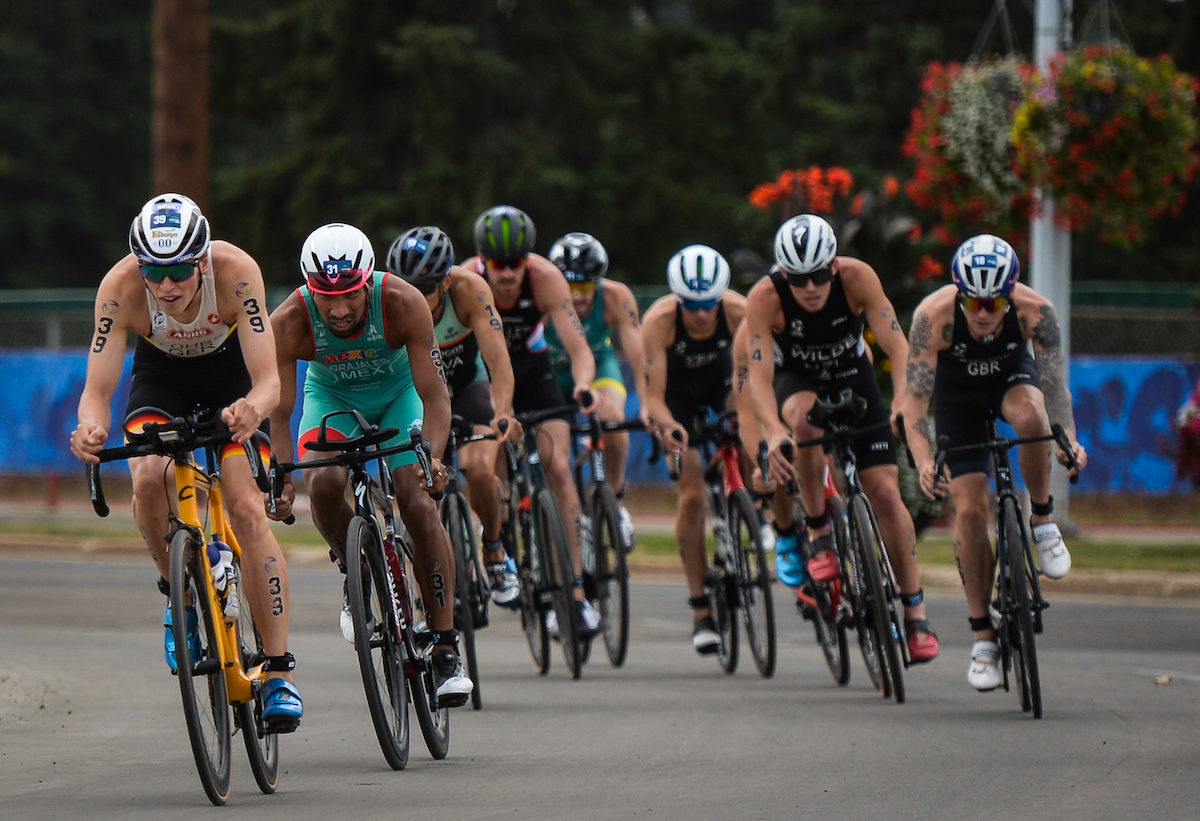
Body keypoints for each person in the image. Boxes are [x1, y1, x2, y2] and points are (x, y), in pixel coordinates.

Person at [70, 193, 303, 731]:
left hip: (232, 379)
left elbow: (268, 380)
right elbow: (97, 389)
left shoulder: (237, 272)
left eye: (178, 270)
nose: (167, 285)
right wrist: (89, 428)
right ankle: (177, 597)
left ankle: (280, 671)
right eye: (154, 271)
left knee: (246, 509)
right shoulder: (121, 286)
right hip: (162, 380)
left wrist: (253, 409)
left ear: (201, 259)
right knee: (148, 478)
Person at [267, 222, 472, 707]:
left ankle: (445, 647)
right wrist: (280, 476)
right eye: (325, 297)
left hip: (399, 397)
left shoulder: (401, 301)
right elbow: (279, 411)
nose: (338, 310)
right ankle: (354, 567)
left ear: (367, 283)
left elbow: (436, 397)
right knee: (322, 483)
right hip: (331, 397)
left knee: (417, 501)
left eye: (350, 296)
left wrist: (435, 459)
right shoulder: (290, 321)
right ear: (308, 289)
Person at [744, 213, 939, 665]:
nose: (810, 288)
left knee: (887, 495)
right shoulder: (765, 298)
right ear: (782, 274)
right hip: (797, 379)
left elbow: (897, 344)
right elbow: (758, 377)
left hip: (853, 373)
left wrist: (903, 402)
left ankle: (915, 614)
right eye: (798, 278)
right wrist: (774, 433)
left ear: (833, 267)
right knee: (806, 424)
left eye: (818, 275)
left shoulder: (857, 278)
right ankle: (819, 532)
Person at [901, 233, 1087, 691]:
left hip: (1010, 380)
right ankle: (983, 634)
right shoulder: (933, 317)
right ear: (959, 293)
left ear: (1011, 294)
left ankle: (1042, 521)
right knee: (970, 510)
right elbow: (913, 407)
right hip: (957, 400)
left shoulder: (1036, 311)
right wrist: (924, 461)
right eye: (974, 302)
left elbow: (1056, 390)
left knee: (1031, 414)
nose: (984, 313)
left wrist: (1068, 441)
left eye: (995, 303)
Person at [460, 205, 601, 638]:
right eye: (497, 265)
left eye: (515, 264)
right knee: (489, 475)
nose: (506, 274)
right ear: (482, 261)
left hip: (533, 370)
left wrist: (582, 386)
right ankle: (497, 552)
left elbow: (578, 348)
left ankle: (575, 592)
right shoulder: (467, 280)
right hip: (484, 375)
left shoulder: (545, 278)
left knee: (559, 469)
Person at [386, 225, 521, 608]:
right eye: (409, 286)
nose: (417, 297)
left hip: (466, 388)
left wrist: (504, 412)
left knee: (480, 470)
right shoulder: (391, 300)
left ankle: (494, 550)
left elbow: (498, 359)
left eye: (426, 288)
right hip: (418, 395)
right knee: (418, 490)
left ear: (446, 280)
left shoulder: (471, 289)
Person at [642, 244, 747, 655]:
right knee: (691, 494)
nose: (701, 314)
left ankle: (756, 511)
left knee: (751, 443)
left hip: (726, 387)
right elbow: (653, 398)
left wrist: (738, 420)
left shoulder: (739, 312)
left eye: (709, 304)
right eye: (691, 304)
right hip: (678, 399)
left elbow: (749, 377)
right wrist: (668, 428)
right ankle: (701, 610)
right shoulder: (660, 321)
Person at [544, 232, 651, 552]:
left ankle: (615, 501)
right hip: (550, 372)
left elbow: (639, 356)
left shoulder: (616, 297)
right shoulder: (542, 296)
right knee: (553, 455)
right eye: (570, 287)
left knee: (614, 420)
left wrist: (647, 404)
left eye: (585, 288)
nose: (576, 297)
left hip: (598, 366)